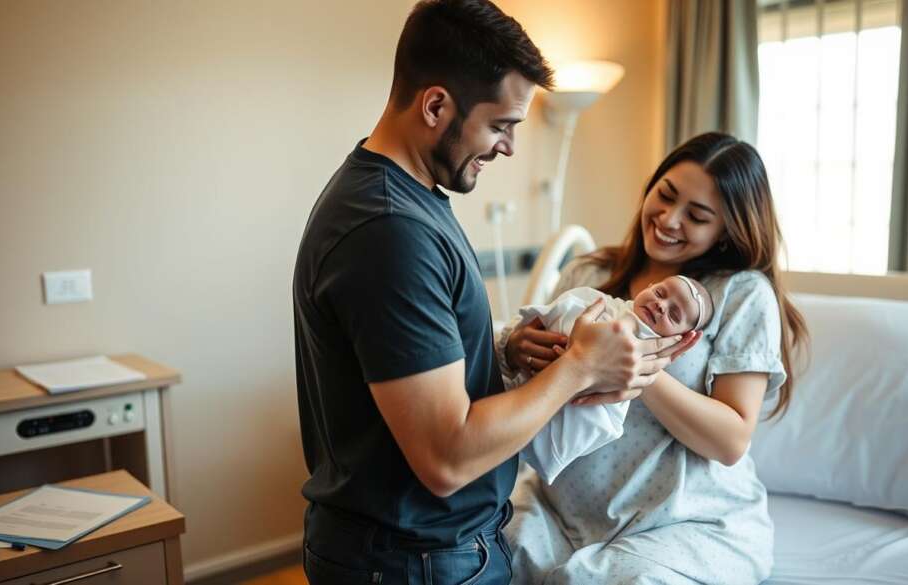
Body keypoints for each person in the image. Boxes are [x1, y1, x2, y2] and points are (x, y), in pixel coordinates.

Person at [291, 2, 690, 584]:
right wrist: (580, 366)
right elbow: (447, 458)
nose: (507, 147)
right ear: (435, 105)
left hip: (418, 549)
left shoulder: (410, 198)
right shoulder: (389, 229)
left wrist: (503, 350)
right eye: (501, 125)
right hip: (413, 562)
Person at [499, 131, 808, 585]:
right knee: (479, 558)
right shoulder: (587, 274)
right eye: (665, 195)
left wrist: (634, 366)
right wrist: (517, 350)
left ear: (727, 230)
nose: (669, 219)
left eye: (698, 216)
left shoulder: (740, 294)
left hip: (684, 523)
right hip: (557, 511)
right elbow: (543, 385)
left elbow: (731, 440)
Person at [503, 276, 715, 484]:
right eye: (659, 293)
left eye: (674, 315)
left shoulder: (649, 361)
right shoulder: (599, 302)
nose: (661, 305)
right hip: (519, 384)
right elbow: (540, 319)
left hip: (569, 417)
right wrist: (509, 344)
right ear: (650, 285)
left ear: (681, 337)